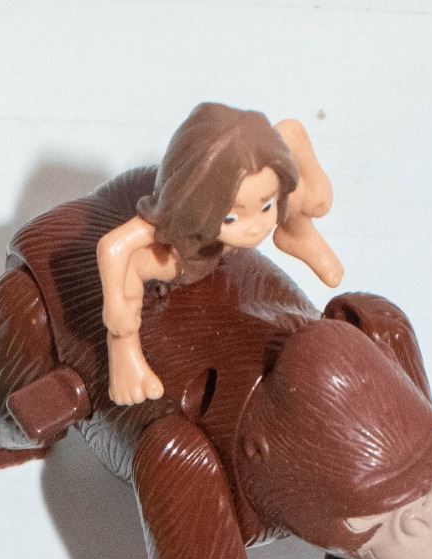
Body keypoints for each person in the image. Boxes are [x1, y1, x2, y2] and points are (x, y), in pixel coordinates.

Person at [97, 103, 343, 405]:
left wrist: (309, 188)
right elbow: (111, 247)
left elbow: (292, 131)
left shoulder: (264, 180)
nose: (255, 229)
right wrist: (115, 309)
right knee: (133, 267)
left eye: (265, 208)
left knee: (308, 195)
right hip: (190, 257)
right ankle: (124, 352)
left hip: (223, 239)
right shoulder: (174, 222)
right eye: (231, 218)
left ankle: (296, 232)